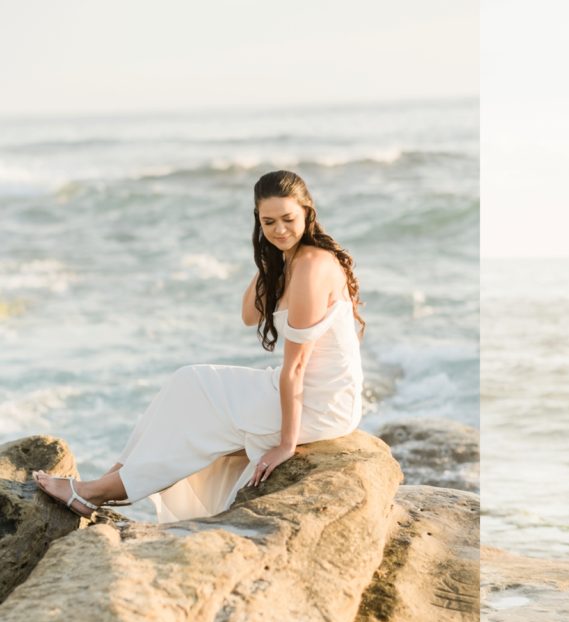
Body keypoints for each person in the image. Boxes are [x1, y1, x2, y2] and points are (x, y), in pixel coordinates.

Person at [34, 170, 364, 522]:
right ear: (258, 221)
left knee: (194, 410)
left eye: (288, 219)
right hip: (300, 387)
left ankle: (96, 492)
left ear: (307, 212)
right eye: (268, 222)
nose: (280, 230)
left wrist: (285, 445)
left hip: (322, 401)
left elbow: (296, 368)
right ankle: (107, 480)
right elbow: (249, 314)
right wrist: (270, 256)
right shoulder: (290, 258)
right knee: (187, 381)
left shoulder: (312, 266)